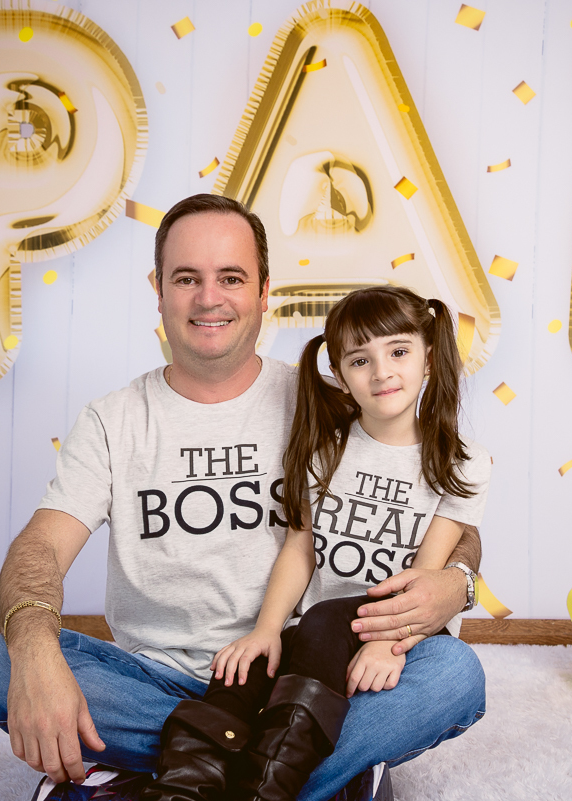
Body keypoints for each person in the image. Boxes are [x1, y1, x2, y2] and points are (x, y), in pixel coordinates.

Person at [0, 194, 486, 801]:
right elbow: (38, 547)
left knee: (454, 674)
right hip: (159, 682)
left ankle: (186, 776)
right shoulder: (113, 421)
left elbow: (439, 506)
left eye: (231, 277)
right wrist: (35, 645)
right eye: (186, 278)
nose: (209, 298)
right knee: (5, 665)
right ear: (158, 289)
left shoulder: (331, 399)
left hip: (307, 675)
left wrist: (456, 583)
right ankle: (295, 773)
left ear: (264, 292)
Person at [141, 286, 492, 801]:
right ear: (340, 375)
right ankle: (184, 787)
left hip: (402, 635)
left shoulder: (462, 462)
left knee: (391, 646)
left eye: (398, 351)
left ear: (429, 358)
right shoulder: (326, 449)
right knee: (246, 666)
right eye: (360, 360)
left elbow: (425, 573)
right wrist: (265, 630)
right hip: (315, 641)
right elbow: (299, 549)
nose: (382, 372)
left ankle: (266, 788)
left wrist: (387, 644)